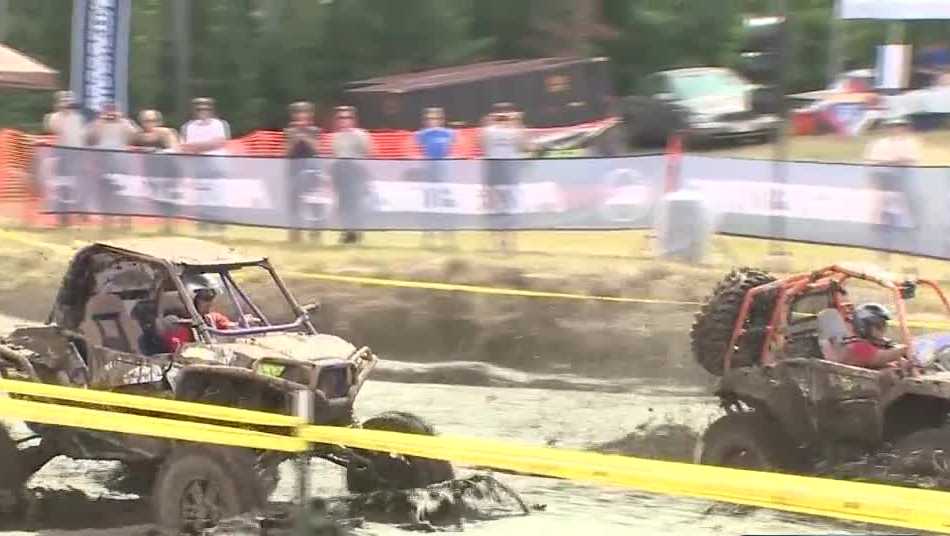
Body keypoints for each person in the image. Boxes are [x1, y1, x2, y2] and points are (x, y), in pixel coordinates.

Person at [864, 117, 922, 256]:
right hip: (884, 179)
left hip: (904, 180)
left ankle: (909, 240)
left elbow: (910, 160)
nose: (897, 128)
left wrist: (893, 161)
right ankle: (884, 240)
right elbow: (872, 161)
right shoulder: (880, 143)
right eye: (894, 126)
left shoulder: (910, 142)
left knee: (906, 208)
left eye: (900, 125)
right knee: (884, 208)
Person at [480, 102, 529, 253]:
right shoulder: (491, 131)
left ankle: (509, 243)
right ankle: (499, 244)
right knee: (498, 209)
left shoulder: (512, 131)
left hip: (507, 172)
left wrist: (516, 124)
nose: (504, 118)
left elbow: (524, 145)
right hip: (497, 172)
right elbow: (483, 145)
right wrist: (517, 123)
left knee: (508, 209)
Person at [85, 101, 139, 230]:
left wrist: (122, 120)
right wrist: (100, 122)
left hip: (121, 163)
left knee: (124, 193)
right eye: (108, 110)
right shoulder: (98, 124)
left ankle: (125, 223)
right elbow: (87, 137)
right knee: (105, 193)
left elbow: (135, 134)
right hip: (103, 163)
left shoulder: (124, 123)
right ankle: (106, 224)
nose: (111, 113)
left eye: (113, 110)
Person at [180, 97, 231, 232]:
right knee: (201, 193)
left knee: (218, 192)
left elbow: (219, 142)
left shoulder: (219, 124)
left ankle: (220, 221)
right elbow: (186, 147)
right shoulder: (189, 126)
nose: (202, 111)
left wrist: (197, 147)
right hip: (199, 164)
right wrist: (206, 145)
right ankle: (203, 221)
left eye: (205, 108)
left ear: (211, 110)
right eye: (199, 109)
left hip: (217, 163)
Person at [131, 110, 180, 234]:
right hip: (151, 171)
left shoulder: (166, 133)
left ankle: (170, 226)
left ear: (159, 121)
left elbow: (175, 149)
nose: (150, 124)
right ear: (141, 123)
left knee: (169, 198)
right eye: (146, 121)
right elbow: (128, 148)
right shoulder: (139, 135)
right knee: (156, 198)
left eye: (153, 121)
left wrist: (157, 151)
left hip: (169, 170)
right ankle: (163, 225)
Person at [330, 105, 374, 245]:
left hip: (356, 172)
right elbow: (335, 154)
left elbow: (368, 152)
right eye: (341, 118)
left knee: (356, 203)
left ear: (353, 119)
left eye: (347, 117)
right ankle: (346, 232)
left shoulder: (361, 134)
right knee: (343, 204)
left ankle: (357, 233)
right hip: (341, 172)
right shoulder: (336, 137)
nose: (344, 120)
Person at [415, 107, 457, 249]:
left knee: (446, 204)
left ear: (441, 119)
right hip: (429, 173)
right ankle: (428, 237)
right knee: (429, 204)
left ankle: (448, 238)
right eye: (429, 119)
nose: (433, 121)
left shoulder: (450, 133)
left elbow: (451, 150)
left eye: (436, 118)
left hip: (444, 174)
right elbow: (420, 149)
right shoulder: (421, 134)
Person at [43, 91, 87, 227]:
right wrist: (62, 112)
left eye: (69, 100)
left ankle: (77, 213)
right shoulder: (54, 117)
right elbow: (51, 128)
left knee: (77, 184)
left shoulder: (79, 118)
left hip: (77, 153)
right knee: (62, 184)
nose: (68, 103)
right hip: (62, 152)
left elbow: (82, 137)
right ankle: (63, 217)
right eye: (64, 100)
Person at [284, 101, 322, 243]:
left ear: (309, 115)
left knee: (314, 202)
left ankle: (315, 234)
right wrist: (294, 138)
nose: (301, 116)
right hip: (294, 170)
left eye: (304, 112)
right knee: (294, 203)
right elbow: (286, 152)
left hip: (312, 170)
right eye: (298, 113)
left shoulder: (314, 130)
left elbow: (317, 149)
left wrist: (304, 136)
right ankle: (295, 234)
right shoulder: (289, 131)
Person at [839, 303, 908, 369]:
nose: (882, 328)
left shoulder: (883, 344)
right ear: (863, 326)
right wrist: (905, 349)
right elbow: (880, 358)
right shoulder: (857, 346)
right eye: (878, 325)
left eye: (884, 324)